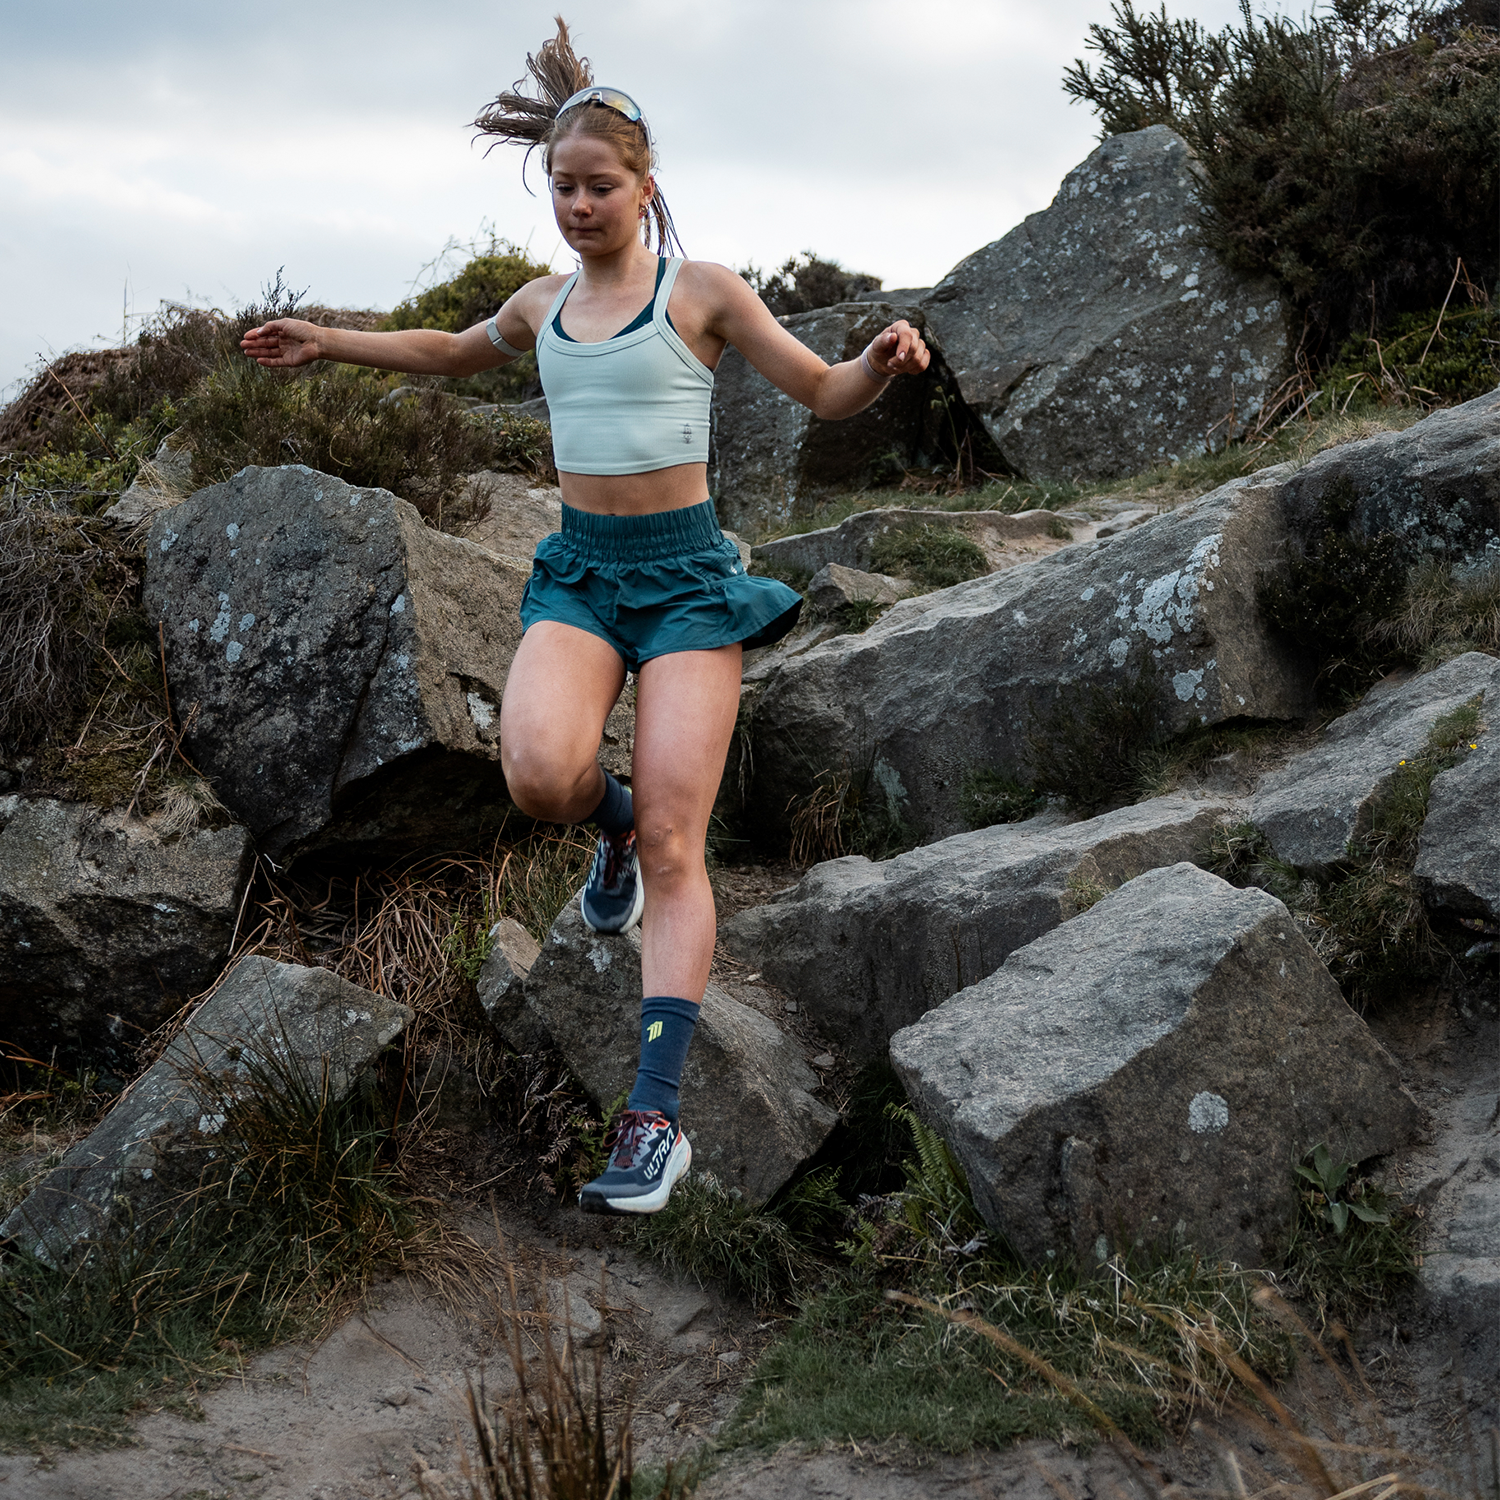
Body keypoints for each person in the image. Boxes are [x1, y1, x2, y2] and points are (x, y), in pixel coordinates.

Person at [240, 18, 929, 1216]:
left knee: (676, 840)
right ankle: (604, 827)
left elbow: (824, 392)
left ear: (645, 187)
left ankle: (654, 1123)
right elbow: (448, 349)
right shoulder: (542, 304)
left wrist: (879, 360)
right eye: (561, 186)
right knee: (539, 776)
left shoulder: (701, 293)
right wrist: (328, 339)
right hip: (581, 574)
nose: (578, 205)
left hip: (687, 582)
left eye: (599, 186)